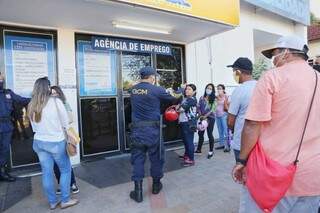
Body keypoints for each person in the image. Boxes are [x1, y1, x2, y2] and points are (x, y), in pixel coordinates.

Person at [232, 36, 320, 212]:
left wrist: (241, 160)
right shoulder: (318, 78)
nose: (273, 60)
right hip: (312, 175)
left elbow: (252, 125)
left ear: (286, 53)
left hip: (272, 174)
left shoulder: (272, 76)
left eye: (275, 55)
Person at [28, 77, 78, 210]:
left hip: (39, 142)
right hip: (56, 142)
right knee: (65, 170)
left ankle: (52, 202)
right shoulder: (56, 102)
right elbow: (66, 123)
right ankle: (65, 200)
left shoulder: (32, 104)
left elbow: (33, 128)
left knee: (46, 172)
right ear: (48, 88)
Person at [129, 67, 178, 203]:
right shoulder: (157, 90)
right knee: (156, 158)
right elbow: (174, 99)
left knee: (137, 160)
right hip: (153, 131)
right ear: (151, 77)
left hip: (137, 131)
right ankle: (156, 186)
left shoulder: (133, 90)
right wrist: (179, 91)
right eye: (154, 77)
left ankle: (138, 192)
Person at [0, 72, 30, 182]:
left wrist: (38, 98)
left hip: (6, 126)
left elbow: (21, 100)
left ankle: (2, 172)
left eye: (1, 79)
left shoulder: (8, 93)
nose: (1, 81)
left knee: (4, 149)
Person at [226, 58, 257, 162]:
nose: (234, 75)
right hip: (259, 142)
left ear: (238, 72)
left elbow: (230, 121)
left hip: (242, 143)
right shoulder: (261, 86)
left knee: (243, 175)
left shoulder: (239, 90)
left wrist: (233, 130)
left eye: (234, 72)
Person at [51, 86, 79, 195]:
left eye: (55, 93)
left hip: (63, 137)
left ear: (59, 94)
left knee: (65, 163)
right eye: (52, 93)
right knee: (55, 164)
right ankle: (61, 184)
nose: (54, 95)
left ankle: (72, 183)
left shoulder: (64, 103)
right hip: (52, 138)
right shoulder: (47, 105)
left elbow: (70, 118)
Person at [177, 84, 197, 165]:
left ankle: (191, 159)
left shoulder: (191, 99)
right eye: (186, 89)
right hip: (183, 122)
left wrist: (178, 107)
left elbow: (180, 109)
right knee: (185, 141)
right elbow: (179, 107)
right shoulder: (186, 99)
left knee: (189, 141)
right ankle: (186, 155)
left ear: (194, 92)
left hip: (188, 123)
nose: (187, 90)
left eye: (189, 89)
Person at [195, 83, 216, 159]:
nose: (208, 89)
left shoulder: (214, 99)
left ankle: (211, 151)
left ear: (213, 90)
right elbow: (198, 107)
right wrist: (200, 115)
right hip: (202, 117)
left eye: (210, 88)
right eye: (207, 88)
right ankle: (198, 149)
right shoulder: (201, 98)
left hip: (210, 118)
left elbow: (212, 110)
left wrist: (205, 116)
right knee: (200, 133)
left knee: (210, 134)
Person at [215, 84, 230, 152]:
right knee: (220, 131)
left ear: (223, 89)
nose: (218, 90)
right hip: (217, 116)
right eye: (218, 88)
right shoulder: (216, 97)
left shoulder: (226, 96)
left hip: (224, 115)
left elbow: (229, 106)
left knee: (226, 131)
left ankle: (228, 146)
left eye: (220, 88)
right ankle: (222, 144)